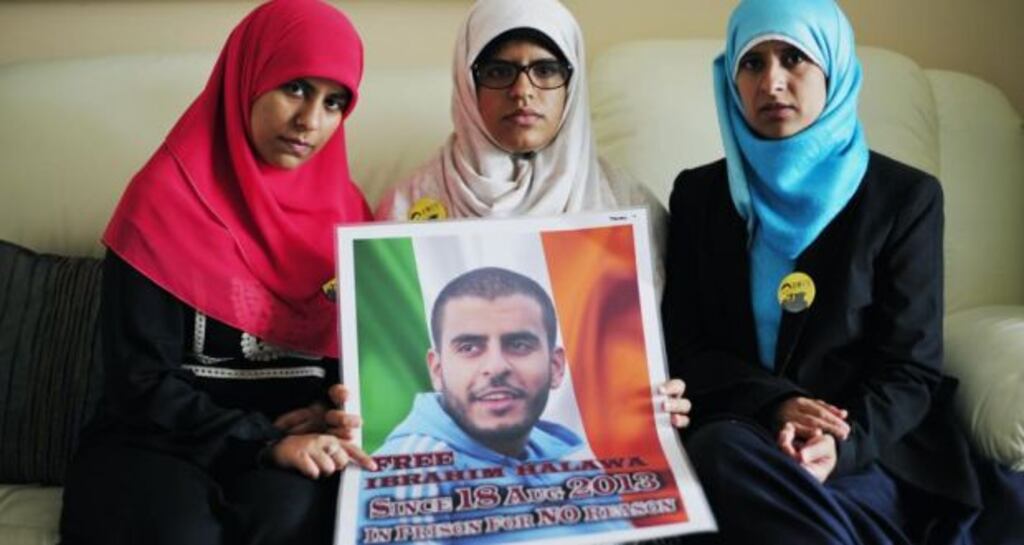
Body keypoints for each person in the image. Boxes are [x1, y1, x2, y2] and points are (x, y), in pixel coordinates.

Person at [662, 1, 1023, 544]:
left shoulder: (904, 198)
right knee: (719, 455)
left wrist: (839, 443)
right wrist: (776, 404)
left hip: (869, 450)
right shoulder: (698, 196)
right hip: (744, 439)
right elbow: (686, 347)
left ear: (833, 67)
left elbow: (910, 369)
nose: (772, 82)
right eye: (752, 63)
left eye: (794, 58)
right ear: (731, 78)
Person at [59, 1, 375, 543]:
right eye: (295, 87)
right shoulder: (161, 202)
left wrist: (333, 409)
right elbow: (138, 383)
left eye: (334, 102)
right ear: (246, 78)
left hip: (291, 448)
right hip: (157, 440)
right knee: (176, 532)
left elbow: (358, 367)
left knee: (292, 519)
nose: (310, 121)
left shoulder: (350, 216)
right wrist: (262, 441)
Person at [364, 267, 629, 543]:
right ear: (437, 370)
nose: (496, 367)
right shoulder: (409, 474)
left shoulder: (569, 452)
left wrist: (660, 423)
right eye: (469, 348)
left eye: (519, 344)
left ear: (556, 366)